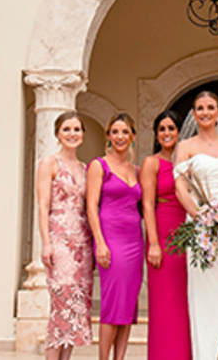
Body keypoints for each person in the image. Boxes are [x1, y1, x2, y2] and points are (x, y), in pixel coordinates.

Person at [173, 91, 218, 360]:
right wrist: (202, 217)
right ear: (193, 114)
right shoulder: (186, 147)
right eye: (200, 108)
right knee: (204, 298)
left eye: (210, 107)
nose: (205, 112)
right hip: (200, 224)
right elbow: (181, 187)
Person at [36, 111, 93, 360]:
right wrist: (46, 243)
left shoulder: (84, 167)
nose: (72, 134)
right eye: (67, 129)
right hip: (59, 240)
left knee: (76, 309)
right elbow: (42, 205)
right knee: (60, 306)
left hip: (83, 243)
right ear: (58, 133)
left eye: (77, 129)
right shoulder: (49, 163)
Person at [86, 113, 143, 360]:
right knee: (112, 303)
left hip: (134, 241)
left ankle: (120, 358)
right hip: (111, 239)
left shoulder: (136, 169)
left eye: (125, 132)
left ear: (132, 136)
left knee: (128, 304)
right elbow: (91, 206)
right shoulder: (99, 165)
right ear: (108, 136)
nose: (120, 137)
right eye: (115, 132)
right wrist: (99, 242)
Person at [139, 110, 192, 360]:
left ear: (179, 132)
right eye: (162, 129)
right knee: (165, 301)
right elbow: (148, 204)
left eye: (171, 128)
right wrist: (154, 243)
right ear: (156, 134)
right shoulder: (152, 163)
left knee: (187, 299)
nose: (167, 133)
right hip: (163, 228)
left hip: (189, 230)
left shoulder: (189, 161)